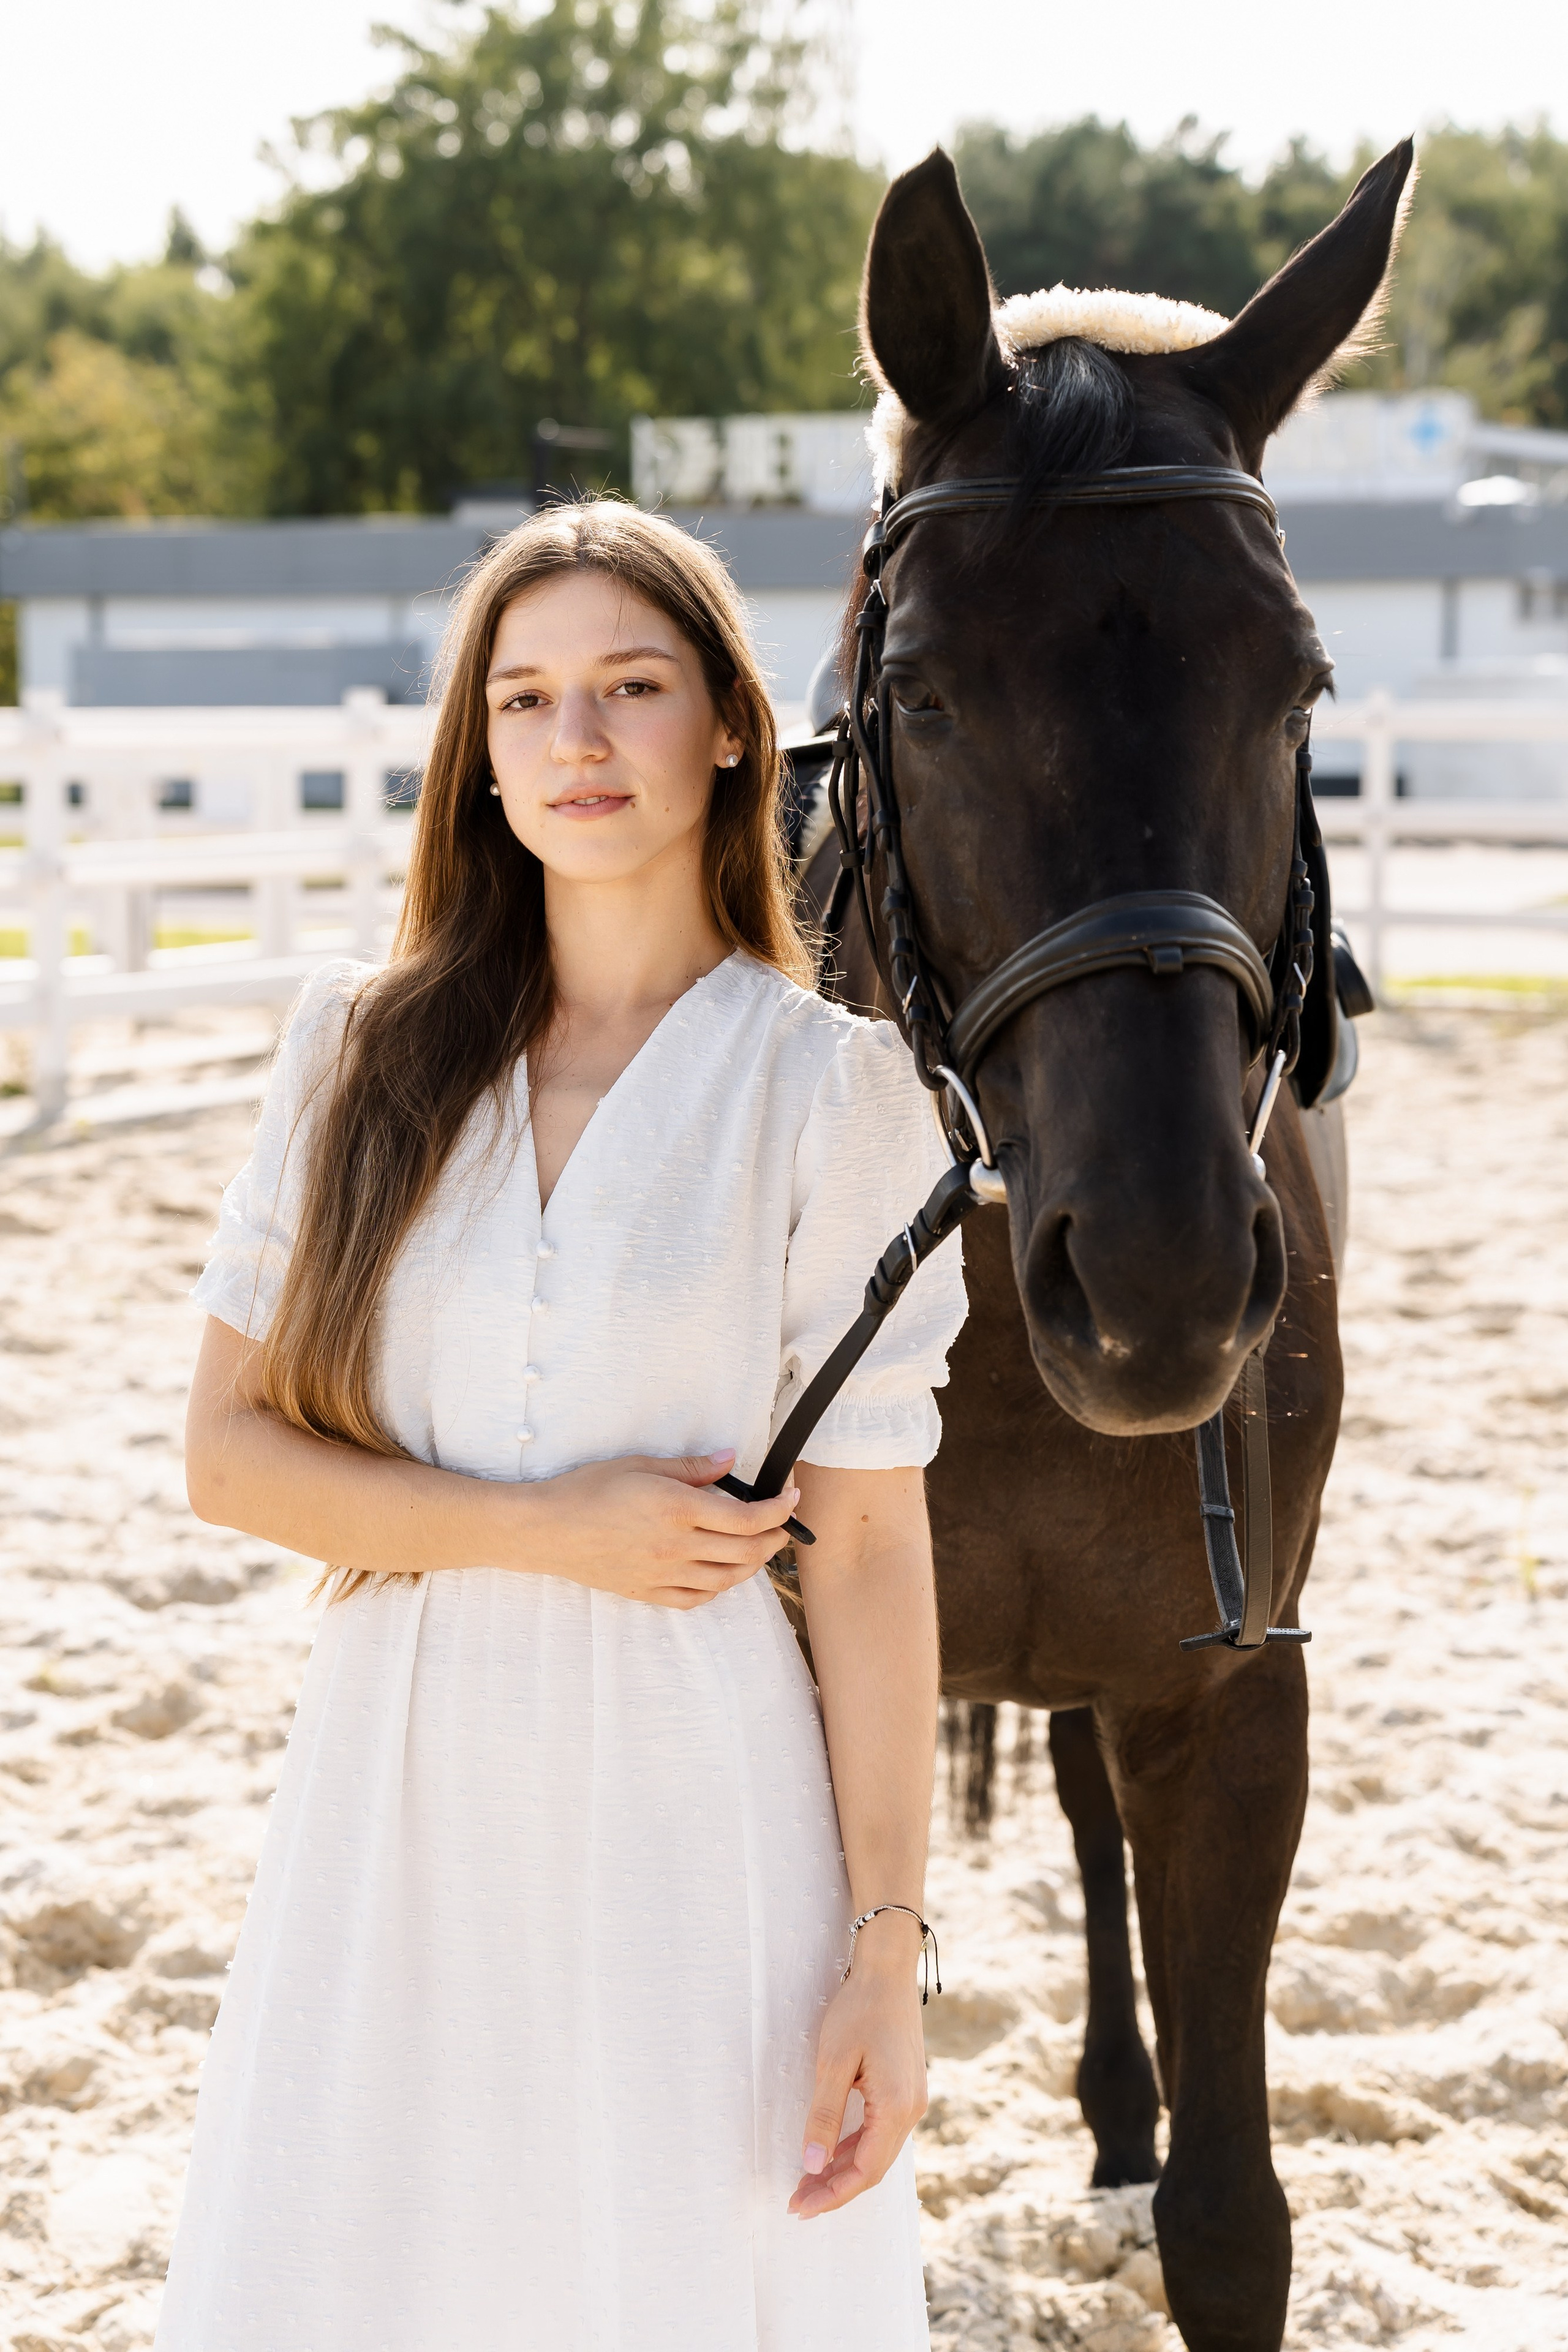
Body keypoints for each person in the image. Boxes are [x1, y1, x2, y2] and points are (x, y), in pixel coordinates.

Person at [154, 500, 967, 2351]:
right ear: (481, 756)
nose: (577, 742)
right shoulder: (360, 1050)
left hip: (700, 1822)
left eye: (630, 687)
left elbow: (872, 1547)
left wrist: (889, 1957)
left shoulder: (831, 1090)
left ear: (735, 729)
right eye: (524, 702)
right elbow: (225, 1458)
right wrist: (553, 1527)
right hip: (400, 1801)